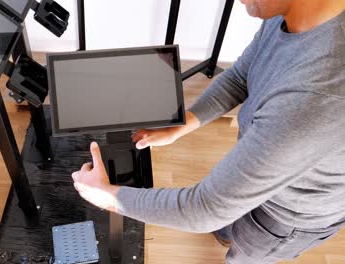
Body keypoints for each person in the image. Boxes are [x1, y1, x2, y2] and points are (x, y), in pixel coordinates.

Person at [71, 0, 345, 263]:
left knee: (245, 255)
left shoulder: (316, 94)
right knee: (228, 219)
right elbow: (241, 76)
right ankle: (228, 231)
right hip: (262, 172)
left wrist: (108, 196)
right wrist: (183, 124)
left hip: (285, 215)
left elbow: (206, 208)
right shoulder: (290, 13)